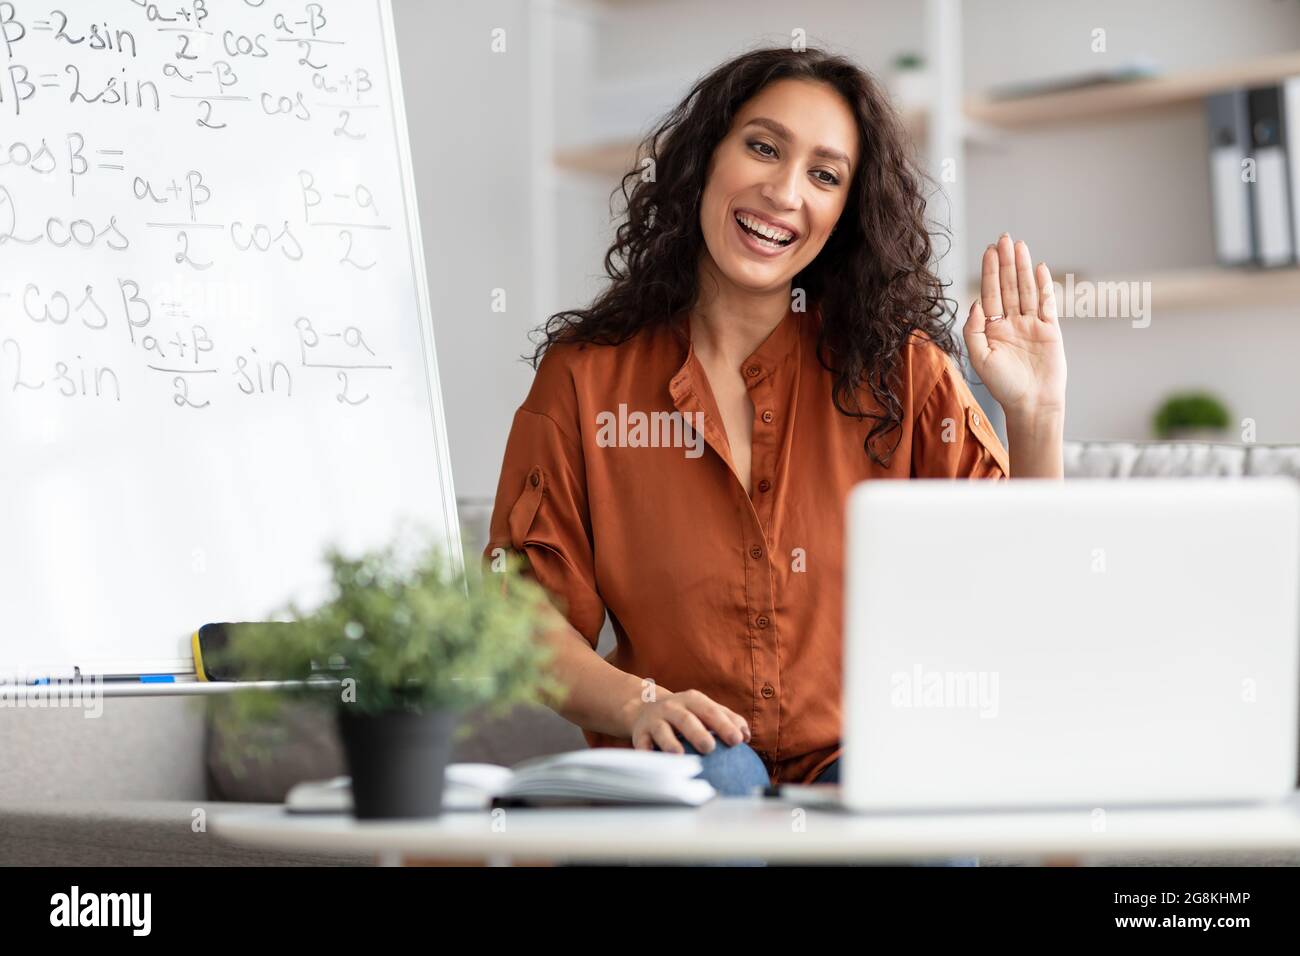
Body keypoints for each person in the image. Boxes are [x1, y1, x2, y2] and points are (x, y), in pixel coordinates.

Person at [485, 46, 1067, 803]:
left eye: (825, 175)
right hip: (687, 760)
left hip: (868, 750)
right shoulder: (584, 376)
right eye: (763, 147)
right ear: (705, 157)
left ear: (847, 210)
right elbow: (522, 619)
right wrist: (640, 703)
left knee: (907, 793)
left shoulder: (909, 374)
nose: (784, 192)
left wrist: (1035, 413)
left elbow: (1021, 596)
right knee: (720, 777)